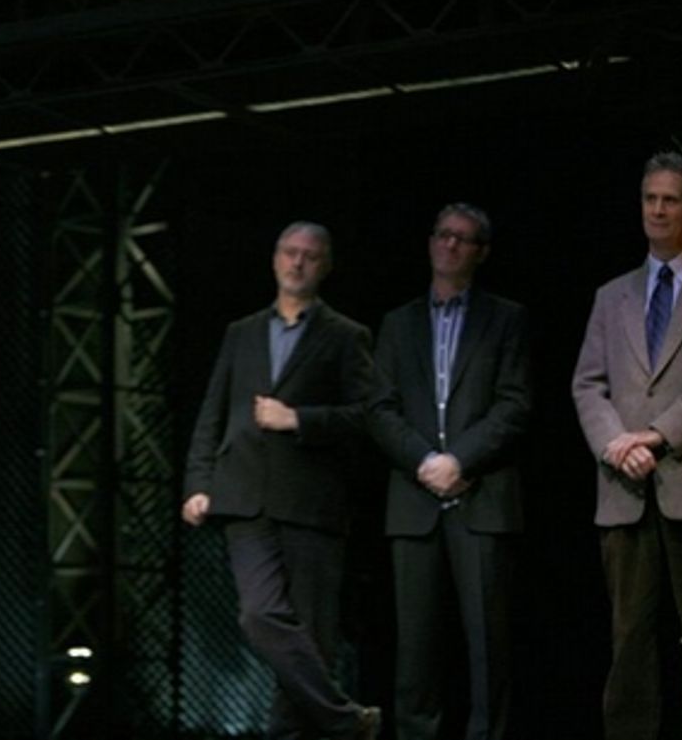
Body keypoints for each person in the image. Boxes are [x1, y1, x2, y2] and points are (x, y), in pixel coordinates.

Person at [182, 221, 381, 740]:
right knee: (260, 616)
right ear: (274, 259)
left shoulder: (345, 335)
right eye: (289, 253)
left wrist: (300, 420)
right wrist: (197, 483)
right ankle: (344, 720)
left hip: (311, 503)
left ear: (325, 266)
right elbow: (213, 413)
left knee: (309, 639)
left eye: (310, 256)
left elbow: (367, 415)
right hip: (243, 497)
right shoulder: (241, 333)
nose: (297, 263)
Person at [367, 203, 530, 740]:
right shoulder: (397, 323)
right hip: (414, 504)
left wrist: (459, 459)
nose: (450, 246)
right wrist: (424, 462)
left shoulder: (506, 318)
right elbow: (379, 408)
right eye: (443, 235)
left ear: (480, 252)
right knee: (414, 653)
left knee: (488, 651)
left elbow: (514, 405)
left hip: (480, 498)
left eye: (463, 239)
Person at [571, 152, 682, 740]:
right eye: (649, 198)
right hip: (625, 489)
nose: (657, 209)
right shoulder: (612, 296)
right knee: (629, 639)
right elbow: (587, 383)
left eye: (670, 199)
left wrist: (656, 437)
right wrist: (615, 447)